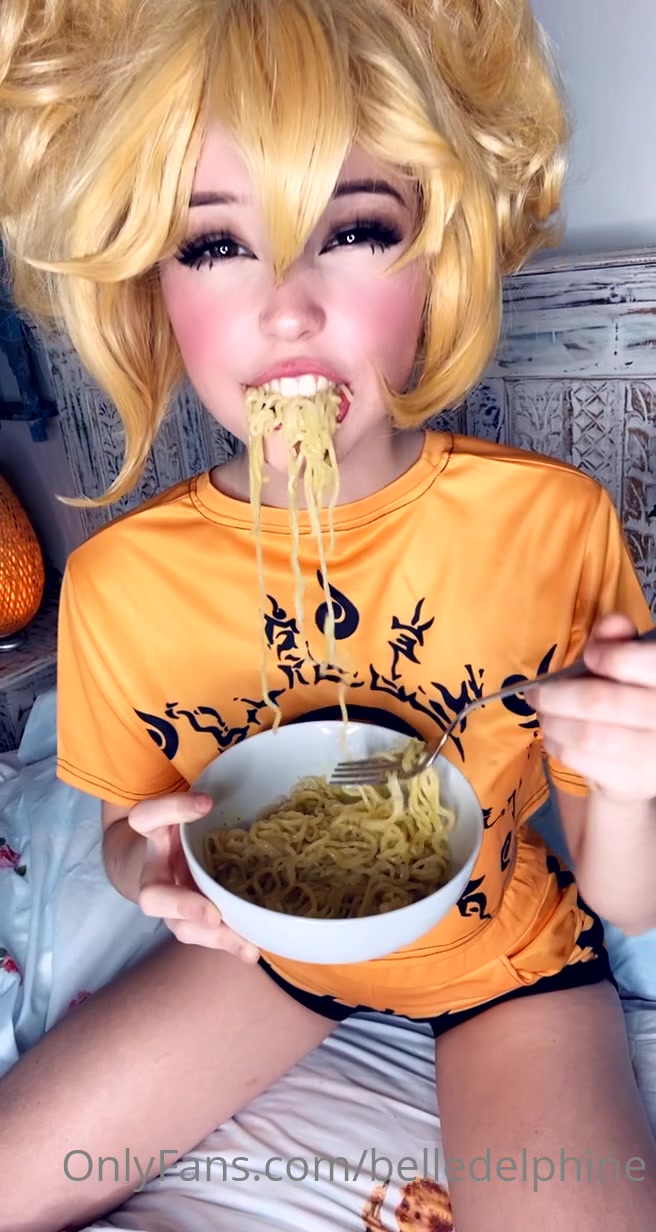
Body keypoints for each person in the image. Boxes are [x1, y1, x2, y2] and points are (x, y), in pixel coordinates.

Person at [1, 2, 655, 1229]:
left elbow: (628, 897)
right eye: (213, 244)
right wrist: (158, 869)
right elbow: (127, 835)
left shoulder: (547, 523)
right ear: (151, 290)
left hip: (502, 961)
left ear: (436, 257)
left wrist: (628, 781)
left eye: (352, 229)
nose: (286, 306)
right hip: (269, 954)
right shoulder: (123, 580)